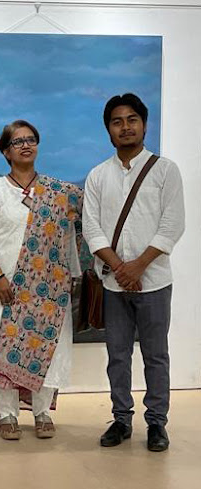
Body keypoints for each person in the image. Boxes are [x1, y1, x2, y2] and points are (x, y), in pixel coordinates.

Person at [83, 93, 185, 452]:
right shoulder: (98, 175)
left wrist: (138, 266)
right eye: (117, 121)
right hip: (114, 285)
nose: (125, 127)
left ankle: (156, 423)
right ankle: (121, 419)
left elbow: (172, 225)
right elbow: (91, 228)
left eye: (132, 120)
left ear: (144, 124)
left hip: (154, 281)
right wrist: (120, 268)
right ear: (108, 129)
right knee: (118, 355)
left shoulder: (165, 170)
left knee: (156, 356)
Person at [0, 120, 82, 440]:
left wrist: (73, 276)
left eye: (30, 139)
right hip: (7, 286)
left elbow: (67, 238)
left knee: (46, 347)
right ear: (6, 152)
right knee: (6, 349)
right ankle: (7, 414)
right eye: (17, 141)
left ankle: (41, 411)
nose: (25, 145)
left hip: (49, 288)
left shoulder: (56, 193)